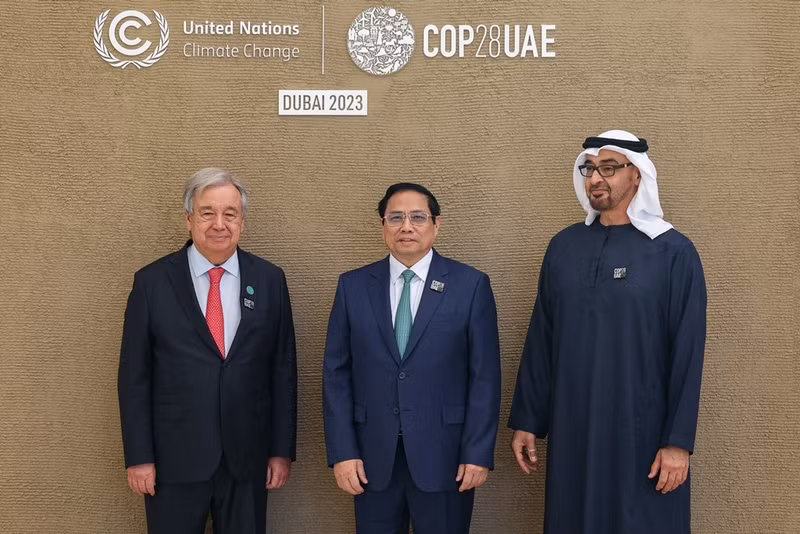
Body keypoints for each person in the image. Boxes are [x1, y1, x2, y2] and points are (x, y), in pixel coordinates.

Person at [509, 130, 707, 534]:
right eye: (589, 168)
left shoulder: (673, 252)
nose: (596, 178)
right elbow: (542, 338)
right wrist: (528, 419)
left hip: (643, 434)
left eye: (609, 168)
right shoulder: (563, 247)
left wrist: (677, 442)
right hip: (573, 429)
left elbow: (688, 353)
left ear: (637, 176)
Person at [117, 167, 297, 534]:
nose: (219, 224)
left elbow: (283, 371)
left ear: (242, 221)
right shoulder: (152, 283)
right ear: (188, 219)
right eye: (207, 213)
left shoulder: (269, 280)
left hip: (248, 462)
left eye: (230, 214)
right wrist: (139, 457)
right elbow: (134, 377)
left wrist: (280, 450)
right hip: (172, 463)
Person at [323, 183, 501, 534]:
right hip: (371, 459)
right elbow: (335, 375)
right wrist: (342, 451)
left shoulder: (470, 285)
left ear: (436, 225)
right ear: (383, 226)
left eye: (418, 217)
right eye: (396, 217)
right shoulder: (353, 286)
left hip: (447, 458)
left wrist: (477, 452)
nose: (407, 226)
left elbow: (485, 377)